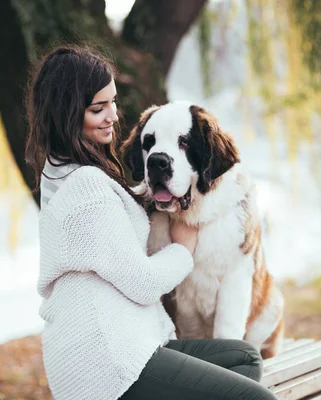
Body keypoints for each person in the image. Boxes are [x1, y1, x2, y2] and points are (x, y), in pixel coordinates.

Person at [25, 44, 279, 400]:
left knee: (243, 358)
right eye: (98, 108)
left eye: (113, 102)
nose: (113, 116)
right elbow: (143, 283)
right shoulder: (87, 187)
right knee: (258, 398)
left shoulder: (63, 176)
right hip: (106, 364)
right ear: (67, 115)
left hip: (121, 344)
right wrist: (183, 247)